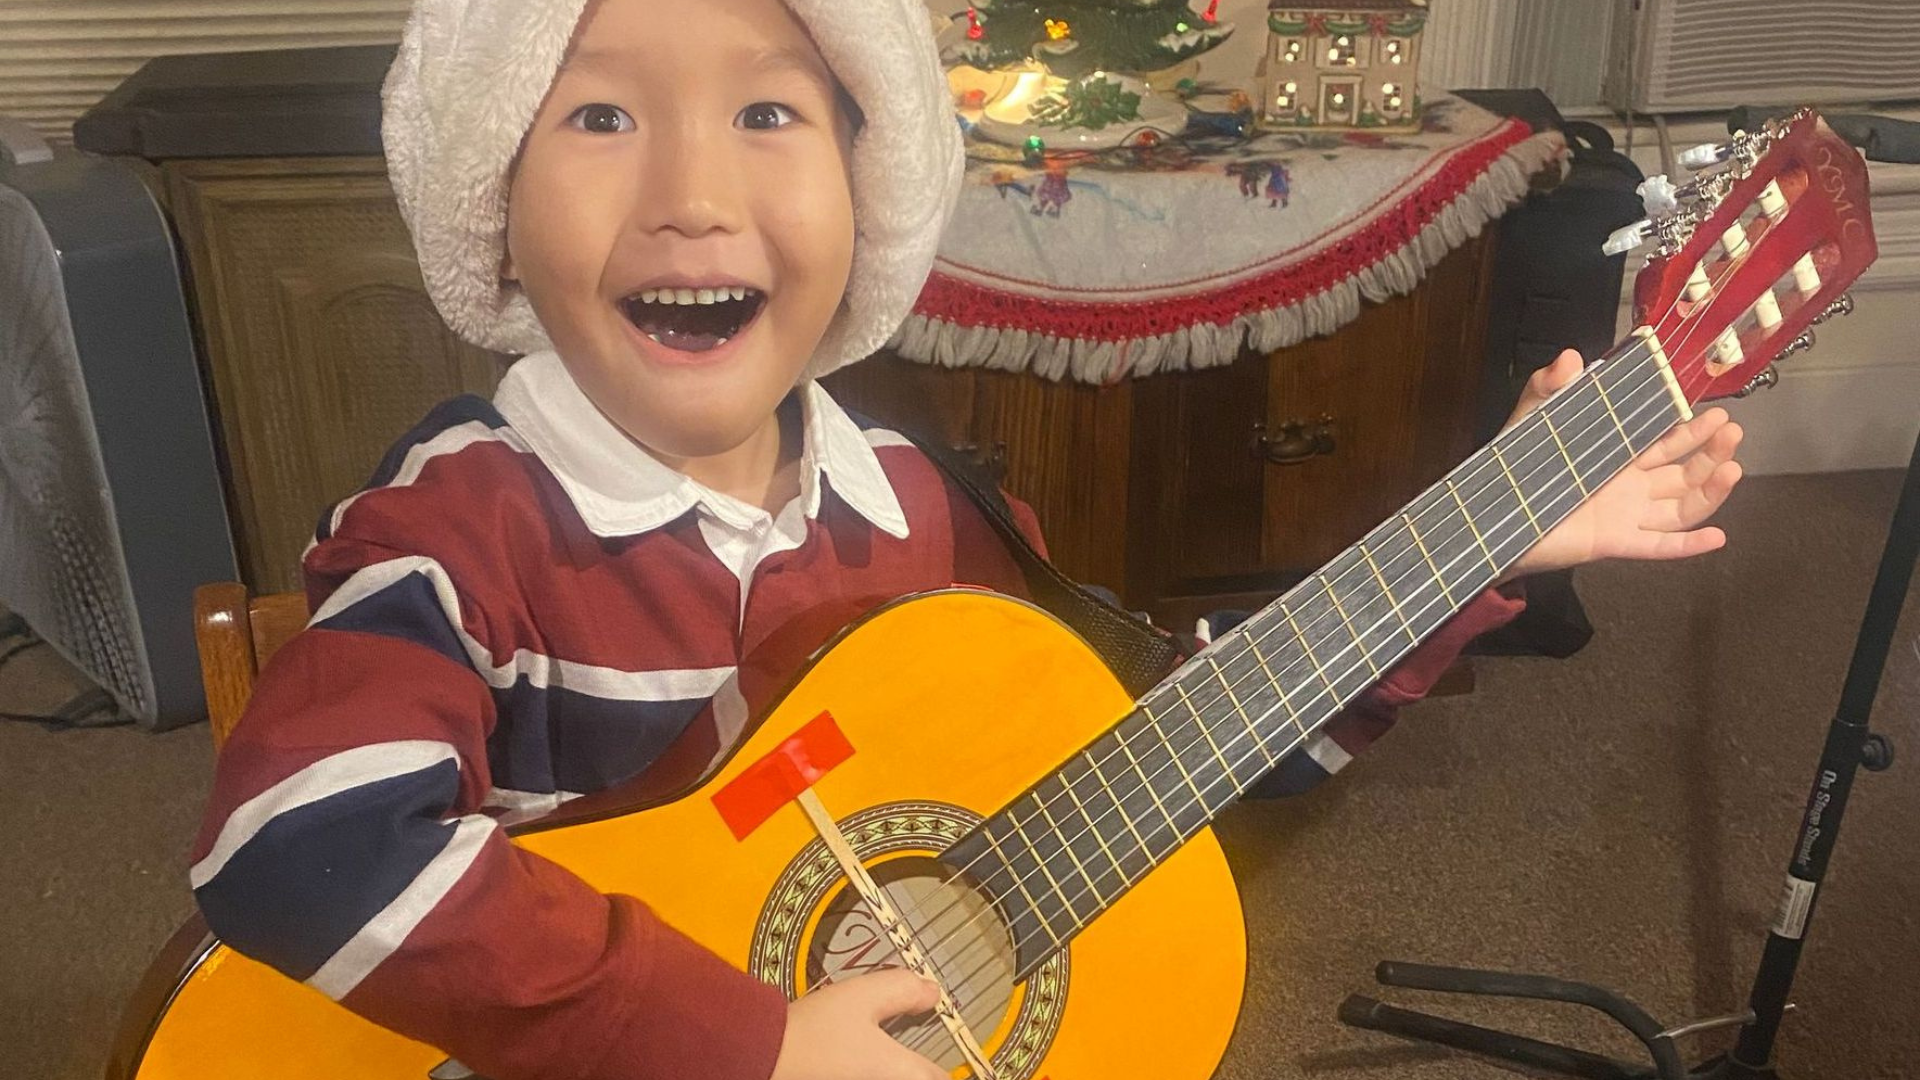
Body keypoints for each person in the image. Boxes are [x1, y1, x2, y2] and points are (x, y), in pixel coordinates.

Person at [187, 0, 1745, 1078]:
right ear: (490, 200)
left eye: (767, 112)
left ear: (869, 187)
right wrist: (743, 1043)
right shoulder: (463, 521)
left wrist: (1495, 544)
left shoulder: (924, 511)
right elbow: (296, 843)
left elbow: (1173, 758)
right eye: (599, 114)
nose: (692, 192)